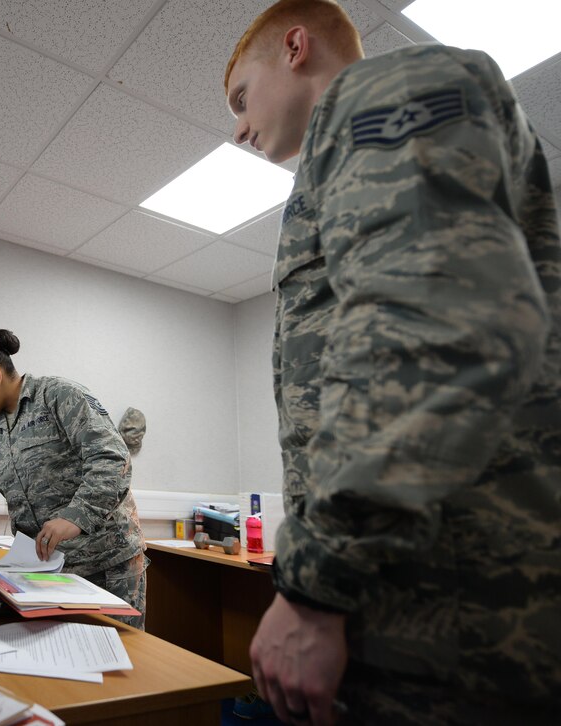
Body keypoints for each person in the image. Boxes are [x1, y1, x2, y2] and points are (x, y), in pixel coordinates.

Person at [224, 1, 561, 724]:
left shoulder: (383, 91)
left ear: (294, 45)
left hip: (447, 620)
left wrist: (317, 586)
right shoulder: (329, 168)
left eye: (241, 97)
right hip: (423, 602)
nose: (239, 126)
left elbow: (432, 325)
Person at [0, 330, 148, 628]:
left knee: (121, 659)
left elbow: (112, 458)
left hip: (105, 565)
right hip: (47, 570)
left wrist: (76, 516)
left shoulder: (58, 396)